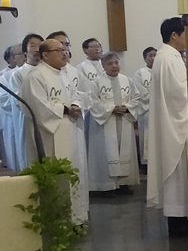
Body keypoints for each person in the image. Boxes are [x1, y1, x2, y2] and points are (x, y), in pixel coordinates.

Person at [147, 18, 188, 237]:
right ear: (174, 35)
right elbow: (178, 94)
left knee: (182, 175)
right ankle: (177, 222)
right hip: (175, 127)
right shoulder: (168, 58)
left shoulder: (169, 56)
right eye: (185, 34)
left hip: (176, 122)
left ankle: (182, 219)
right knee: (178, 173)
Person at [20, 39, 89, 221]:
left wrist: (76, 105)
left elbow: (76, 94)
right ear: (45, 55)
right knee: (56, 173)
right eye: (59, 50)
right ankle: (58, 219)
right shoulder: (36, 76)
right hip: (50, 133)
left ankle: (76, 216)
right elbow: (37, 105)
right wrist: (65, 109)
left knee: (74, 171)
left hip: (70, 131)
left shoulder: (63, 74)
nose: (64, 53)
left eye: (65, 49)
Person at [88, 52, 140, 193]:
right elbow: (93, 102)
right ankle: (108, 186)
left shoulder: (127, 80)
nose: (114, 66)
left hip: (124, 120)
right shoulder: (96, 82)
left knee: (124, 151)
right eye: (110, 63)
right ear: (103, 66)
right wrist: (111, 109)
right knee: (108, 153)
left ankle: (124, 184)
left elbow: (136, 97)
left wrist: (127, 107)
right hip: (106, 123)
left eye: (116, 62)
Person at [1, 34, 43, 172]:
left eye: (40, 45)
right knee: (31, 158)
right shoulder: (18, 75)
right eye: (32, 45)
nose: (37, 49)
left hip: (50, 121)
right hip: (28, 122)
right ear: (25, 51)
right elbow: (20, 102)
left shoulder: (48, 72)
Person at [133, 47, 156, 165]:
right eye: (150, 55)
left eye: (155, 55)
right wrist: (154, 98)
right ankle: (146, 164)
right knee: (146, 138)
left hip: (160, 110)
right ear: (144, 58)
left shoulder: (161, 70)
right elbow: (140, 91)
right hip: (146, 110)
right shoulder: (140, 73)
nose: (153, 58)